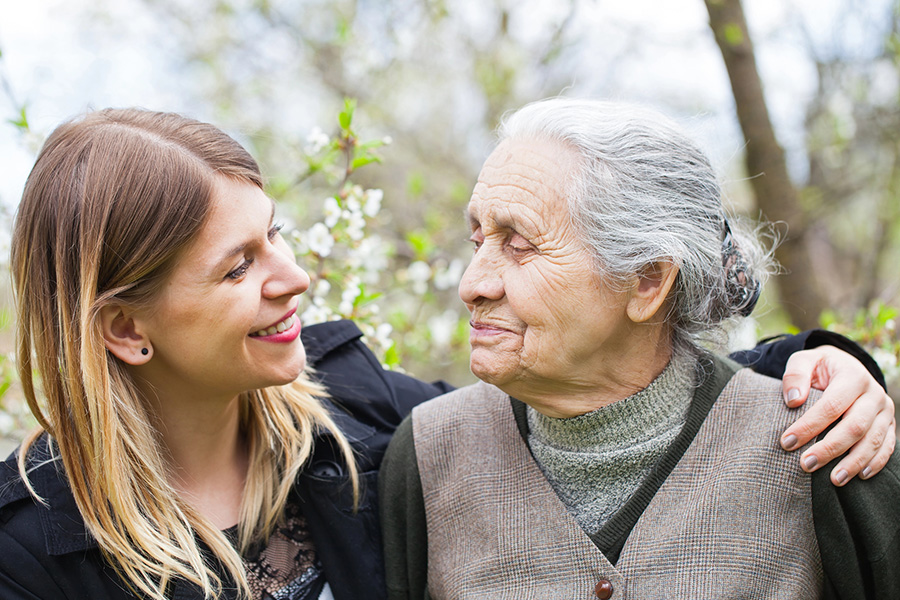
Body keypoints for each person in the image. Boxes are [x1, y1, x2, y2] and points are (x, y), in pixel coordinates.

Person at [0, 108, 890, 600]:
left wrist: (822, 366)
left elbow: (629, 397)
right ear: (124, 329)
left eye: (276, 236)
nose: (296, 277)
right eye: (239, 267)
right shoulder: (33, 553)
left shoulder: (359, 415)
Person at [379, 98, 900, 599]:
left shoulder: (827, 445)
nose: (473, 284)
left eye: (520, 245)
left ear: (648, 281)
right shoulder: (428, 456)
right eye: (478, 242)